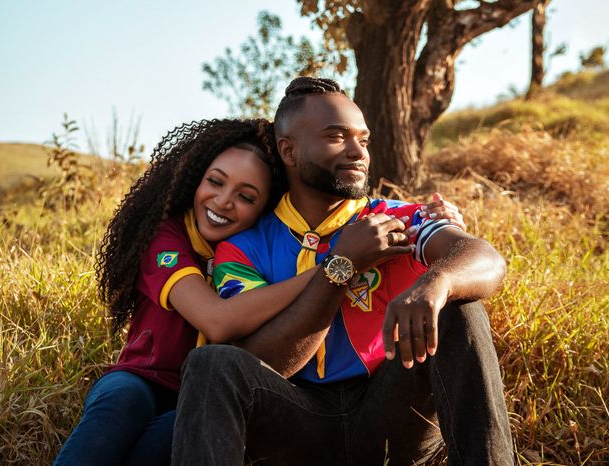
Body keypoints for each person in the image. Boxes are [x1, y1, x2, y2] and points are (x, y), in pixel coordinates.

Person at [53, 116, 467, 465]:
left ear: (265, 206)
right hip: (144, 378)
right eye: (214, 182)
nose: (223, 201)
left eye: (246, 196)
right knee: (116, 411)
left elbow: (388, 220)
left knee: (153, 450)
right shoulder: (167, 237)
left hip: (207, 393)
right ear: (193, 180)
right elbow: (218, 321)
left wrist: (438, 217)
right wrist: (338, 263)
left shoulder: (258, 250)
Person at [171, 78, 513, 466]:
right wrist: (341, 268)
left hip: (391, 413)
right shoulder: (243, 248)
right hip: (295, 425)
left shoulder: (397, 219)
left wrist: (438, 282)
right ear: (289, 150)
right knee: (209, 364)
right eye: (336, 137)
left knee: (461, 307)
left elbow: (485, 258)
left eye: (363, 140)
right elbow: (266, 362)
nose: (357, 153)